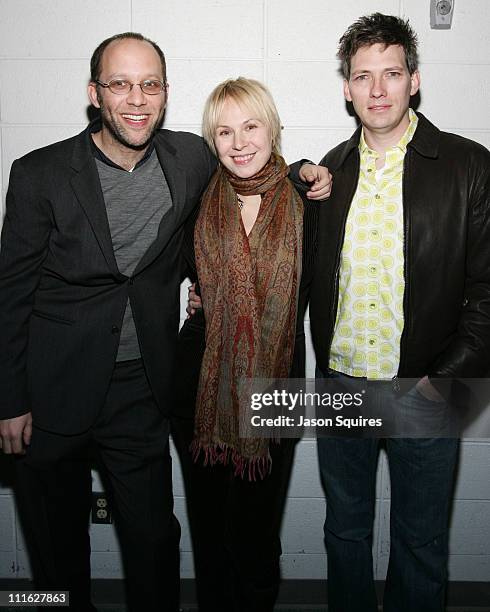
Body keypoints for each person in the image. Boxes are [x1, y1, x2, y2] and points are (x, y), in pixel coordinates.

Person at [0, 32, 331, 611]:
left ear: (165, 94)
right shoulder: (40, 173)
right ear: (94, 93)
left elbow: (264, 164)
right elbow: (11, 291)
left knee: (155, 542)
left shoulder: (192, 161)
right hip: (53, 393)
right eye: (121, 84)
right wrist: (9, 397)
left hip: (144, 389)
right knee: (54, 559)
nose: (136, 98)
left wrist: (306, 168)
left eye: (149, 84)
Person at [304, 13, 490, 612]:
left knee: (420, 544)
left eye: (391, 73)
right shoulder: (329, 172)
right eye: (363, 76)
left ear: (414, 80)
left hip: (427, 389)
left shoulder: (468, 166)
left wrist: (444, 381)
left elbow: (487, 293)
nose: (377, 89)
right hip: (341, 387)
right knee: (345, 536)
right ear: (347, 87)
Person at [171, 77, 325, 612]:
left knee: (254, 534)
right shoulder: (196, 201)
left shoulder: (309, 198)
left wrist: (309, 168)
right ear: (212, 141)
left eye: (250, 126)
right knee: (211, 534)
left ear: (272, 128)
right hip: (198, 387)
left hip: (275, 387)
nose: (239, 143)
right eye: (224, 132)